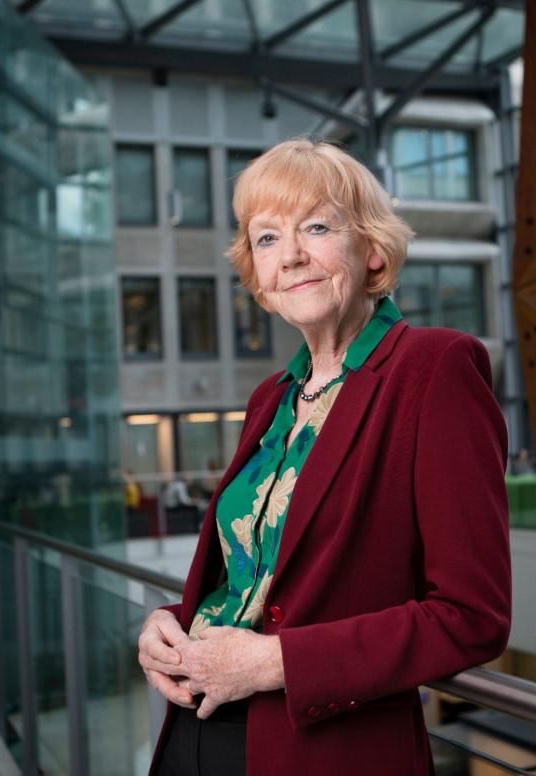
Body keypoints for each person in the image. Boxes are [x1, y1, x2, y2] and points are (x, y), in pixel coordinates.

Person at [136, 138, 511, 776]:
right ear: (257, 274)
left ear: (371, 249)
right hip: (195, 735)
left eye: (317, 226)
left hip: (321, 749)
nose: (293, 256)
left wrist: (274, 662)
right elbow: (257, 579)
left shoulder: (433, 368)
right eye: (267, 238)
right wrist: (171, 626)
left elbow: (472, 617)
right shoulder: (271, 399)